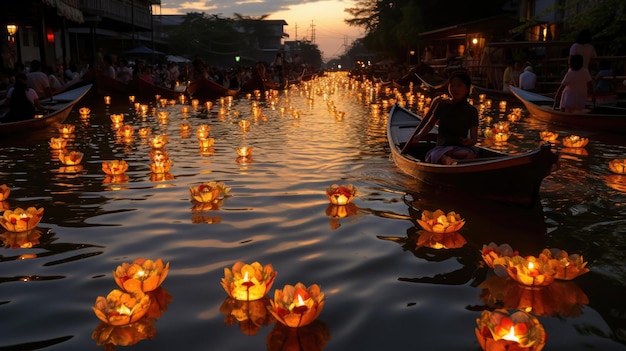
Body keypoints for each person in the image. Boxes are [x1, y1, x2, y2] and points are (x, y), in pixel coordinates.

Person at [403, 71, 479, 165]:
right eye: (452, 86)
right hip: (442, 148)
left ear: (467, 89)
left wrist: (468, 142)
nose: (455, 89)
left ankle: (453, 162)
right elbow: (430, 124)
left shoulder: (472, 111)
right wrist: (419, 135)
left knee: (470, 156)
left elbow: (474, 139)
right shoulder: (442, 105)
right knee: (438, 155)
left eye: (459, 86)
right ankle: (448, 161)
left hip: (460, 148)